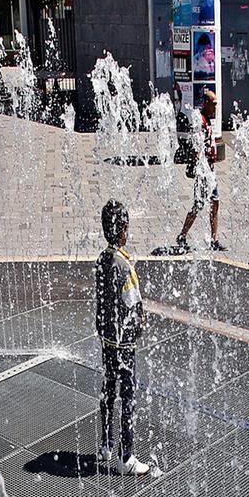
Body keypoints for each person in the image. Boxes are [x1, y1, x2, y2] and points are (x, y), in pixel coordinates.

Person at [95, 200, 152, 475]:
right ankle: (125, 457)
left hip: (107, 337)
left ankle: (105, 444)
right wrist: (141, 321)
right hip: (124, 340)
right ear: (122, 232)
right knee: (128, 395)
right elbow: (132, 300)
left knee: (108, 389)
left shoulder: (102, 259)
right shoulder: (124, 265)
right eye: (126, 228)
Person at [175, 89, 225, 252]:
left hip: (210, 171)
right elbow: (197, 146)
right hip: (204, 173)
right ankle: (182, 236)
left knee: (214, 202)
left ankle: (214, 240)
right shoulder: (201, 121)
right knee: (198, 204)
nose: (216, 108)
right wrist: (196, 166)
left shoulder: (207, 120)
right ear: (207, 103)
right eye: (214, 104)